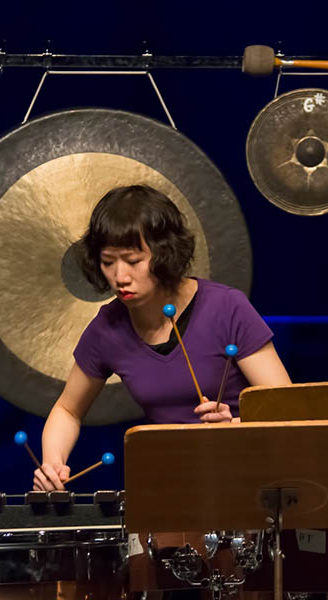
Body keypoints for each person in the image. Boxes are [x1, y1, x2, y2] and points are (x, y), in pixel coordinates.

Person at [33, 185, 291, 491]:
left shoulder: (227, 308)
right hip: (175, 484)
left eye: (132, 260)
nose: (120, 277)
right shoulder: (108, 328)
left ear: (165, 253)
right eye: (107, 262)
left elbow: (286, 410)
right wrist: (52, 464)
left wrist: (235, 425)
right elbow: (68, 410)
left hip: (251, 479)